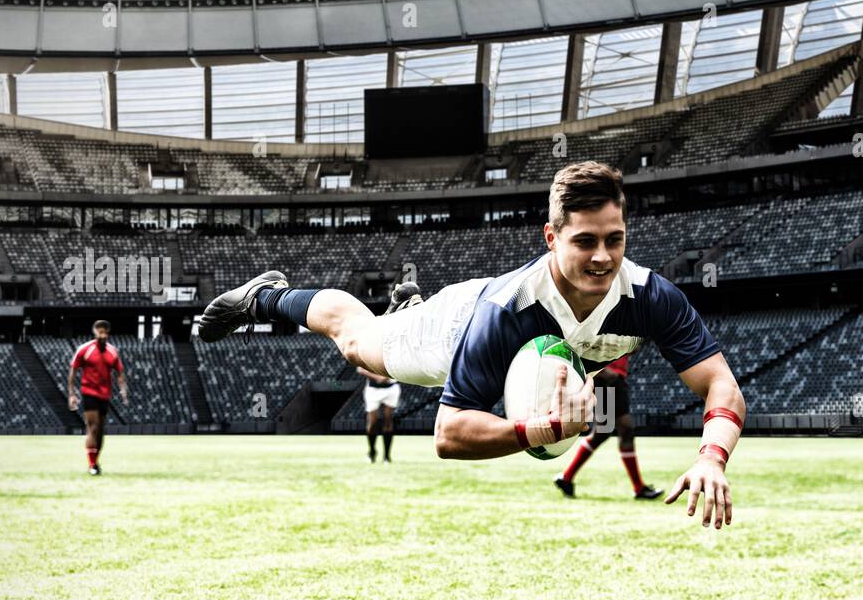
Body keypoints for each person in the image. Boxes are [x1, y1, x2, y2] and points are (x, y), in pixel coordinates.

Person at [199, 161, 745, 528]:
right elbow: (450, 434)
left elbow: (719, 383)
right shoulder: (506, 312)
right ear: (551, 238)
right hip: (453, 327)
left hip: (550, 356)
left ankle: (403, 306)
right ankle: (268, 297)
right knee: (358, 342)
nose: (603, 257)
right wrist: (544, 430)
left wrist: (712, 457)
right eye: (585, 242)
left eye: (615, 239)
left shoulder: (652, 295)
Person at [553, 354, 662, 500]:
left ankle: (566, 478)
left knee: (602, 432)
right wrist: (603, 371)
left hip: (612, 378)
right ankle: (639, 488)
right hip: (607, 379)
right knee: (625, 429)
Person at [67, 320, 128, 476]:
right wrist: (72, 394)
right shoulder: (84, 349)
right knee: (92, 427)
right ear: (94, 332)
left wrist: (123, 390)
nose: (102, 334)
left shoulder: (113, 351)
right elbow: (73, 371)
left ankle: (95, 461)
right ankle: (92, 465)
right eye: (99, 331)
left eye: (104, 332)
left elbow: (120, 372)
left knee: (100, 431)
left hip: (105, 395)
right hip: (89, 392)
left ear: (107, 333)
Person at [358, 364, 400, 463]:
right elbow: (360, 369)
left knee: (388, 420)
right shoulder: (369, 350)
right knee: (372, 423)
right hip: (373, 389)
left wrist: (384, 377)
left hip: (391, 388)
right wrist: (377, 377)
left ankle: (386, 456)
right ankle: (372, 452)